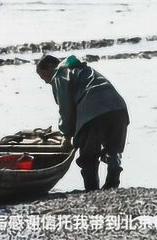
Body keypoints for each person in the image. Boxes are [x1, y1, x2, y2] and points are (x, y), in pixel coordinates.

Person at [36, 55, 129, 191]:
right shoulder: (83, 69)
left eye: (43, 76)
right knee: (113, 150)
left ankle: (91, 190)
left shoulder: (60, 74)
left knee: (88, 156)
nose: (45, 82)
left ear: (51, 66)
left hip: (92, 110)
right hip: (118, 108)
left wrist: (67, 135)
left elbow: (66, 109)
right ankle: (112, 184)